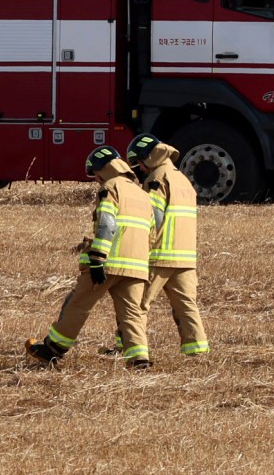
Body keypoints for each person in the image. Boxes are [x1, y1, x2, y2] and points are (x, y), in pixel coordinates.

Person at [26, 146, 155, 368]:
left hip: (108, 264)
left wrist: (97, 259)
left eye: (95, 174)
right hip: (137, 267)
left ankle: (51, 350)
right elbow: (152, 233)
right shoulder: (143, 195)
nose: (95, 179)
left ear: (103, 169)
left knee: (78, 305)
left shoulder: (110, 188)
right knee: (132, 315)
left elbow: (107, 224)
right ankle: (139, 359)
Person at [124, 134, 210, 357]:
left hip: (159, 254)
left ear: (148, 158)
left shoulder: (156, 180)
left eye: (138, 163)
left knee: (136, 305)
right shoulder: (182, 179)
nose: (138, 168)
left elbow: (153, 218)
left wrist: (140, 246)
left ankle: (128, 348)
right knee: (186, 305)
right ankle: (197, 351)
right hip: (185, 257)